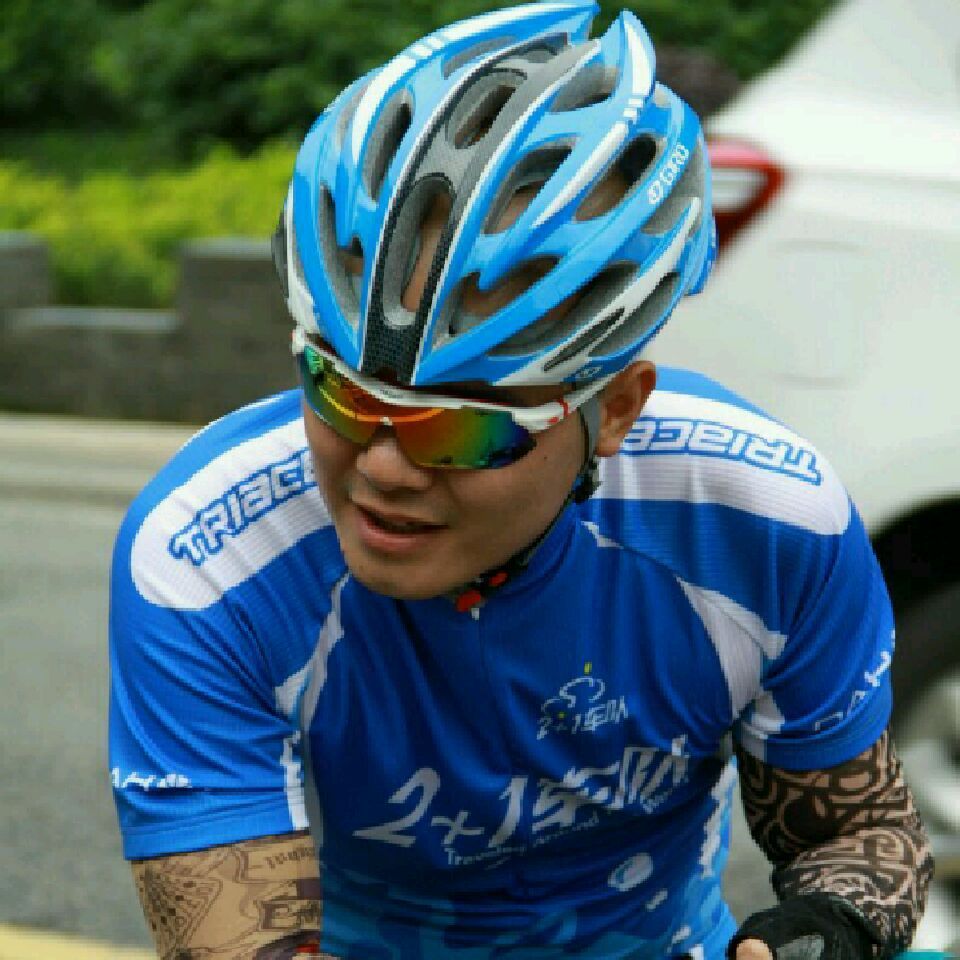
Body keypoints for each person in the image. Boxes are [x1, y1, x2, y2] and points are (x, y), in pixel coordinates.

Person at [109, 4, 934, 959]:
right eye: (340, 393)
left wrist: (825, 931)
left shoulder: (763, 520)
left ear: (614, 410)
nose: (382, 467)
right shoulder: (206, 557)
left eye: (462, 426)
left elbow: (854, 831)